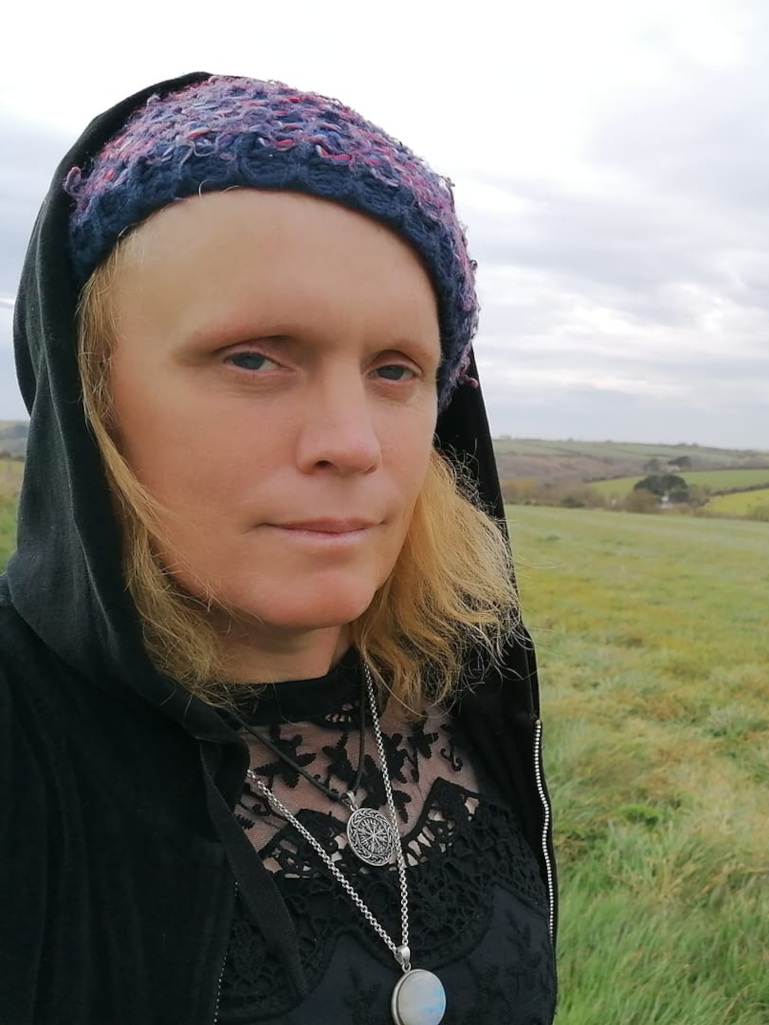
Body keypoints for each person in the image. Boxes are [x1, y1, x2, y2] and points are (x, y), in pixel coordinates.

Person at [0, 73, 556, 1024]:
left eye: (395, 370)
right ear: (89, 398)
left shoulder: (455, 684)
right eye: (254, 356)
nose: (353, 442)